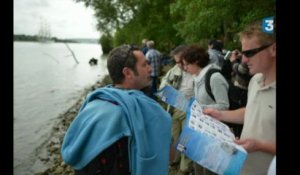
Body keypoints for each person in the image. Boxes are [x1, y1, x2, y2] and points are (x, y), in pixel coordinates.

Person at [61, 44, 172, 175]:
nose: (150, 69)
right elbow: (171, 155)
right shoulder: (149, 110)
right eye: (144, 65)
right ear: (127, 73)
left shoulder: (94, 103)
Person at [203, 21, 276, 175]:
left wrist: (260, 146)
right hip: (241, 168)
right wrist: (220, 115)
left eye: (249, 53)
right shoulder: (255, 80)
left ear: (273, 49)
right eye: (243, 54)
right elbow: (252, 111)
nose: (243, 60)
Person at [181, 44, 230, 175]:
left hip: (214, 134)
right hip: (202, 131)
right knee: (199, 168)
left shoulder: (214, 77)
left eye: (187, 65)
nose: (185, 68)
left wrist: (200, 109)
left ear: (196, 61)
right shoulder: (197, 78)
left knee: (209, 170)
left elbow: (224, 106)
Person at [159, 45, 194, 175]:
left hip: (189, 110)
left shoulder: (194, 70)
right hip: (174, 109)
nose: (178, 64)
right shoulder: (174, 71)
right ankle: (175, 162)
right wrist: (167, 90)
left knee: (186, 141)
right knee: (175, 138)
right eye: (176, 61)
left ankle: (184, 169)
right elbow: (162, 85)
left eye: (180, 61)